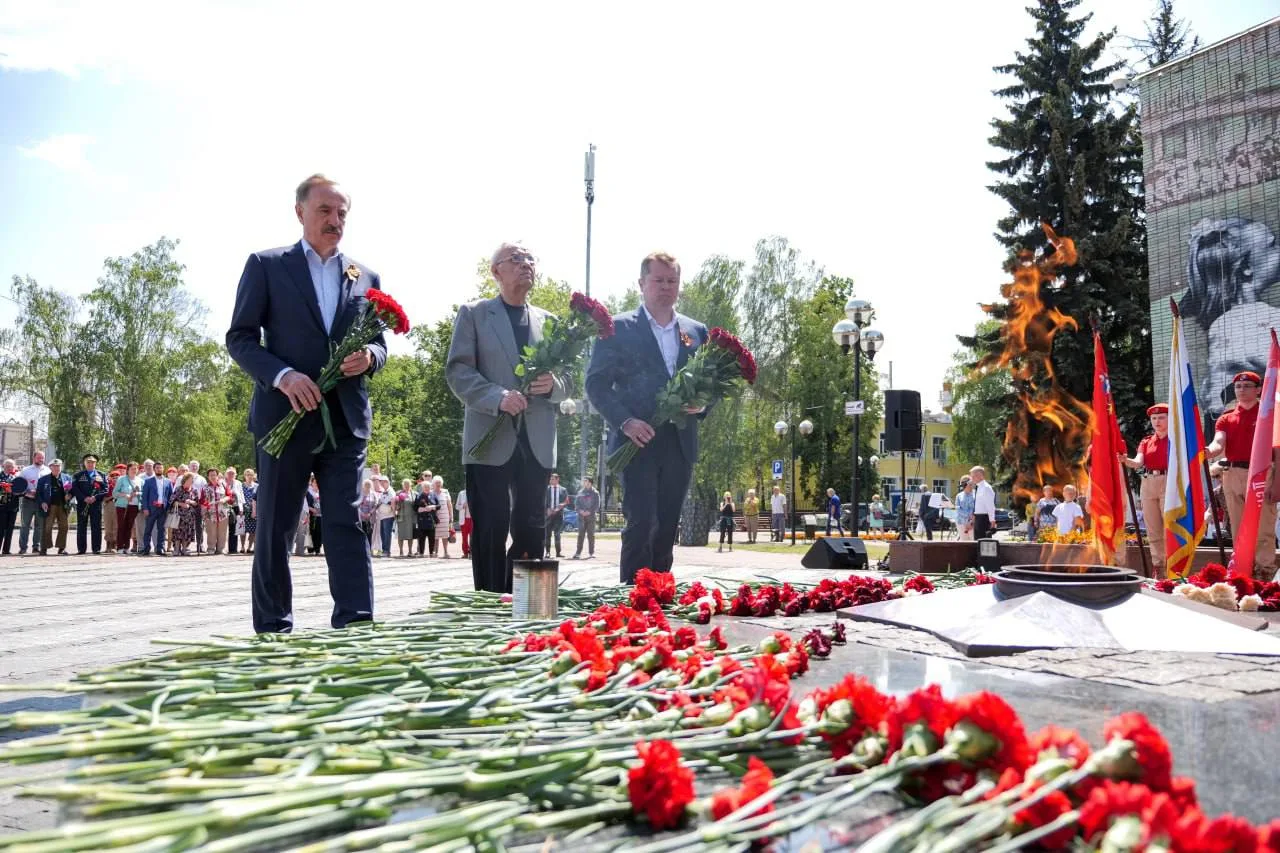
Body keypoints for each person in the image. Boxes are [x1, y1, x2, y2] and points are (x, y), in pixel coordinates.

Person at [226, 173, 387, 632]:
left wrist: (370, 356)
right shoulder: (266, 265)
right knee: (276, 529)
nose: (335, 221)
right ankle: (274, 629)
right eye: (325, 211)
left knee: (346, 523)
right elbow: (239, 338)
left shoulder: (365, 276)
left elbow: (379, 343)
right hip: (286, 418)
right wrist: (282, 375)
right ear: (300, 212)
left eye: (342, 213)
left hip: (346, 421)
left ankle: (355, 625)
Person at [446, 242, 568, 592]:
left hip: (538, 440)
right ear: (495, 271)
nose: (526, 264)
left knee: (532, 526)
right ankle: (489, 603)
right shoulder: (474, 314)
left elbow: (571, 378)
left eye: (530, 259)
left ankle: (525, 603)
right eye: (516, 259)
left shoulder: (551, 322)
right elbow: (458, 372)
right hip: (488, 438)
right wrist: (497, 397)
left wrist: (554, 385)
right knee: (490, 527)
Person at [586, 252, 709, 583]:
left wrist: (702, 404)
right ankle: (631, 600)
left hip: (679, 443)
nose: (666, 287)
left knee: (668, 523)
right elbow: (595, 384)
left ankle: (659, 597)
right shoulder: (617, 328)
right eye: (658, 280)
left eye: (672, 281)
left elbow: (708, 386)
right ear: (641, 284)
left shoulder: (696, 331)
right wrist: (625, 421)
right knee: (642, 522)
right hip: (636, 441)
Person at [1207, 371, 1276, 582]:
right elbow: (1219, 442)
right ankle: (1243, 574)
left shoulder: (1269, 415)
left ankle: (1265, 574)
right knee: (1238, 527)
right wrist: (1209, 451)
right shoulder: (1226, 418)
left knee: (1264, 526)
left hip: (1262, 472)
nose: (1241, 390)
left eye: (1247, 386)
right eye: (1238, 386)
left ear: (1258, 390)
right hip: (1233, 473)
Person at [1122, 404, 1170, 577]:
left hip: (1169, 481)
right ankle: (1159, 568)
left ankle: (1173, 566)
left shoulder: (1176, 439)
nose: (1157, 421)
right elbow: (1138, 462)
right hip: (1148, 482)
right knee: (1153, 529)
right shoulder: (1146, 441)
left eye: (1162, 417)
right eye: (1154, 418)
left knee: (1169, 526)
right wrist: (1125, 459)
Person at [72, 454, 109, 555]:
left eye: (92, 462)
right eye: (88, 462)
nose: (90, 464)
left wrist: (95, 497)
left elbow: (105, 489)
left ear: (95, 464)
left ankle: (96, 548)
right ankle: (81, 549)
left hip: (96, 504)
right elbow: (75, 489)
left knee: (96, 526)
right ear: (84, 463)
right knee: (81, 526)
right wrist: (84, 498)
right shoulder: (78, 475)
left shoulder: (102, 475)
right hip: (82, 504)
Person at [16, 450, 50, 555]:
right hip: (28, 501)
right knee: (25, 525)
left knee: (39, 526)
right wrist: (28, 491)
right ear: (33, 458)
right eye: (39, 457)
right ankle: (23, 548)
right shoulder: (26, 470)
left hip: (41, 503)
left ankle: (36, 547)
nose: (41, 459)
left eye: (42, 458)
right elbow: (19, 485)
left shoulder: (48, 470)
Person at [36, 459, 72, 555]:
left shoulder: (67, 478)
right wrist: (42, 502)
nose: (56, 468)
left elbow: (72, 491)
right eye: (54, 466)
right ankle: (44, 548)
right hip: (49, 506)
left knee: (64, 527)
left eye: (58, 466)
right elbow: (38, 493)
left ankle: (61, 548)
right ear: (50, 467)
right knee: (47, 527)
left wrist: (69, 496)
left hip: (63, 506)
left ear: (61, 467)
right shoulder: (43, 479)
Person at [112, 462, 140, 554]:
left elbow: (143, 492)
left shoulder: (140, 480)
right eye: (132, 469)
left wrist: (138, 493)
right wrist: (125, 495)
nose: (134, 470)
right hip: (122, 506)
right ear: (128, 470)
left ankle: (127, 547)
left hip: (134, 506)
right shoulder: (122, 479)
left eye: (135, 469)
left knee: (129, 526)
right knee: (121, 526)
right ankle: (120, 547)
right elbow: (114, 493)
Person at [170, 473, 200, 556]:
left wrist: (191, 502)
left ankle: (184, 549)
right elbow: (172, 501)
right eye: (190, 479)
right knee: (177, 532)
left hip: (190, 516)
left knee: (187, 532)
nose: (192, 481)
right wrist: (181, 504)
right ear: (185, 479)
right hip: (179, 515)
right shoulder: (178, 489)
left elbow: (197, 503)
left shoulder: (194, 490)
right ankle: (176, 549)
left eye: (192, 480)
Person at [572, 476, 599, 559]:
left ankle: (591, 553)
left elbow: (597, 505)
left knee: (591, 535)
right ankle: (578, 553)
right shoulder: (580, 492)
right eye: (583, 481)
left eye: (585, 481)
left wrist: (589, 512)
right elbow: (576, 504)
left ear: (590, 482)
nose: (584, 482)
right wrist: (580, 511)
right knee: (580, 535)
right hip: (581, 517)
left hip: (591, 517)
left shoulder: (595, 493)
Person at [544, 473, 569, 558]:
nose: (551, 481)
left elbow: (566, 501)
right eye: (550, 479)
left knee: (557, 534)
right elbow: (543, 500)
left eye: (553, 479)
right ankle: (547, 552)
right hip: (548, 515)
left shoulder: (563, 490)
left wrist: (559, 507)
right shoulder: (546, 489)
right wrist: (547, 509)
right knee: (547, 534)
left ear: (557, 479)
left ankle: (558, 552)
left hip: (559, 514)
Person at [970, 466, 997, 540]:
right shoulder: (978, 488)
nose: (971, 479)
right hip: (978, 518)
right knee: (977, 542)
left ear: (980, 475)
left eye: (973, 476)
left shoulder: (986, 488)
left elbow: (990, 506)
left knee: (984, 542)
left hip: (984, 519)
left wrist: (992, 520)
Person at [414, 482, 438, 557]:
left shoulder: (433, 495)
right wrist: (422, 509)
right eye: (425, 487)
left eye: (428, 487)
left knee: (432, 538)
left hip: (431, 520)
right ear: (422, 488)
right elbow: (415, 508)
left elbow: (439, 505)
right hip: (422, 520)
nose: (427, 488)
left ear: (430, 487)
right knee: (421, 538)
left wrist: (433, 507)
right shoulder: (419, 496)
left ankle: (431, 552)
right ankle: (421, 553)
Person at [432, 476, 454, 558]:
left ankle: (446, 552)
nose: (438, 485)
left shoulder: (445, 492)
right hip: (435, 518)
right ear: (433, 484)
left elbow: (450, 505)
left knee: (445, 535)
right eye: (436, 483)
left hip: (445, 517)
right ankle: (435, 552)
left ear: (441, 484)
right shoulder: (431, 493)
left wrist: (451, 517)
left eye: (439, 483)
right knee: (435, 536)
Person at [0, 458, 18, 554]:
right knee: (1, 529)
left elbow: (21, 491)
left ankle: (6, 550)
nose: (10, 468)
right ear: (4, 466)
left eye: (11, 466)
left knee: (10, 529)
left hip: (13, 507)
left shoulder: (15, 477)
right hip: (2, 506)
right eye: (8, 466)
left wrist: (14, 491)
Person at [395, 478, 416, 556]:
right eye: (405, 485)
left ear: (411, 485)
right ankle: (401, 551)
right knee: (401, 535)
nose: (407, 486)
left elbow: (416, 505)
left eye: (408, 485)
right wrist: (398, 503)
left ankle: (410, 551)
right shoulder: (398, 493)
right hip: (401, 516)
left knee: (410, 534)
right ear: (403, 486)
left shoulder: (414, 493)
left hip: (411, 517)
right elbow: (395, 506)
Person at [241, 468, 258, 554]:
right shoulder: (241, 485)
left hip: (254, 510)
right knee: (242, 529)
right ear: (245, 476)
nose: (249, 476)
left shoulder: (257, 486)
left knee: (253, 530)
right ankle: (242, 546)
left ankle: (250, 547)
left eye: (251, 475)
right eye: (247, 475)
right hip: (243, 510)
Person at [455, 487, 472, 557]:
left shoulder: (476, 492)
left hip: (473, 519)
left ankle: (472, 552)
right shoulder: (461, 493)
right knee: (464, 537)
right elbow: (456, 506)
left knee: (473, 536)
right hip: (464, 519)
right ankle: (465, 552)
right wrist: (462, 506)